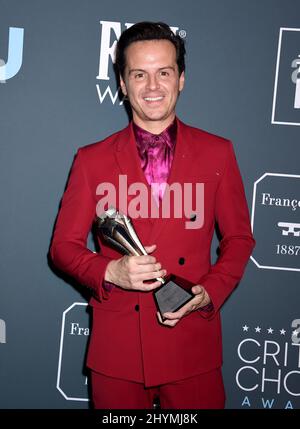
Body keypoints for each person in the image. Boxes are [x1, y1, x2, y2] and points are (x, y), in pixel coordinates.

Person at [50, 21, 255, 409]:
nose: (152, 86)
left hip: (191, 344)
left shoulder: (219, 153)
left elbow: (240, 239)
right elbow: (62, 247)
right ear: (123, 85)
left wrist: (209, 293)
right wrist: (110, 272)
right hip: (119, 351)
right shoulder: (91, 160)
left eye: (164, 72)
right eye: (139, 74)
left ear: (181, 79)